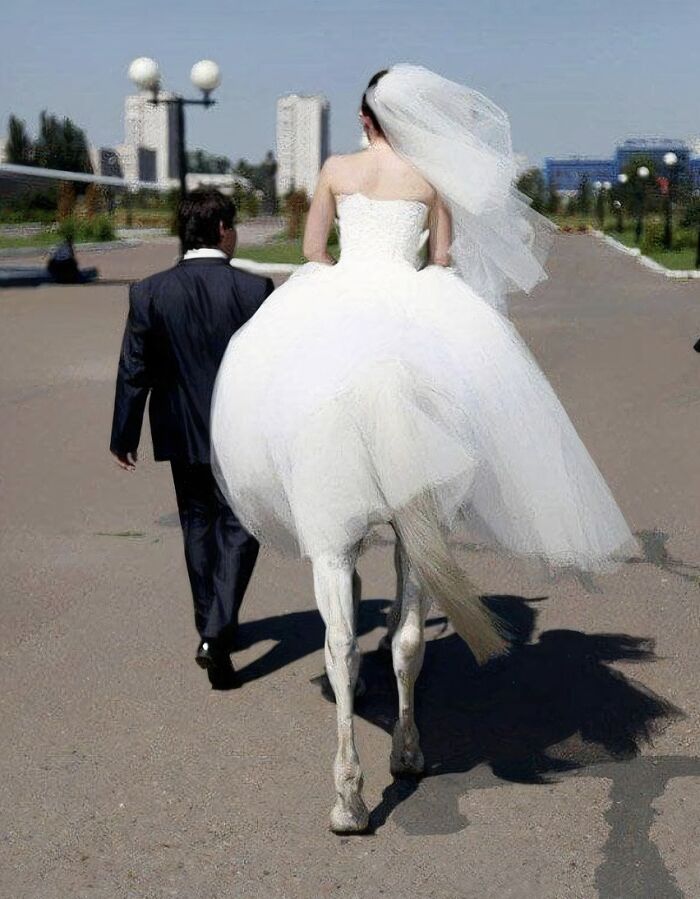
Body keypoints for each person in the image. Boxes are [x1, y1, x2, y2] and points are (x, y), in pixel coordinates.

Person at [210, 64, 639, 833]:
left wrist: (347, 269)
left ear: (366, 120)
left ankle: (347, 776)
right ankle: (408, 728)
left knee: (281, 418)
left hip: (339, 302)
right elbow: (440, 259)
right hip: (415, 311)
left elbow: (314, 252)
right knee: (438, 487)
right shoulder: (431, 178)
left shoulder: (337, 170)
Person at [110, 189, 274, 689]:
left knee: (197, 526)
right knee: (241, 529)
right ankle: (217, 633)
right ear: (222, 229)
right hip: (239, 433)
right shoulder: (255, 290)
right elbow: (273, 370)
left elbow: (133, 368)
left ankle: (211, 625)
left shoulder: (150, 292)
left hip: (180, 430)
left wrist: (124, 433)